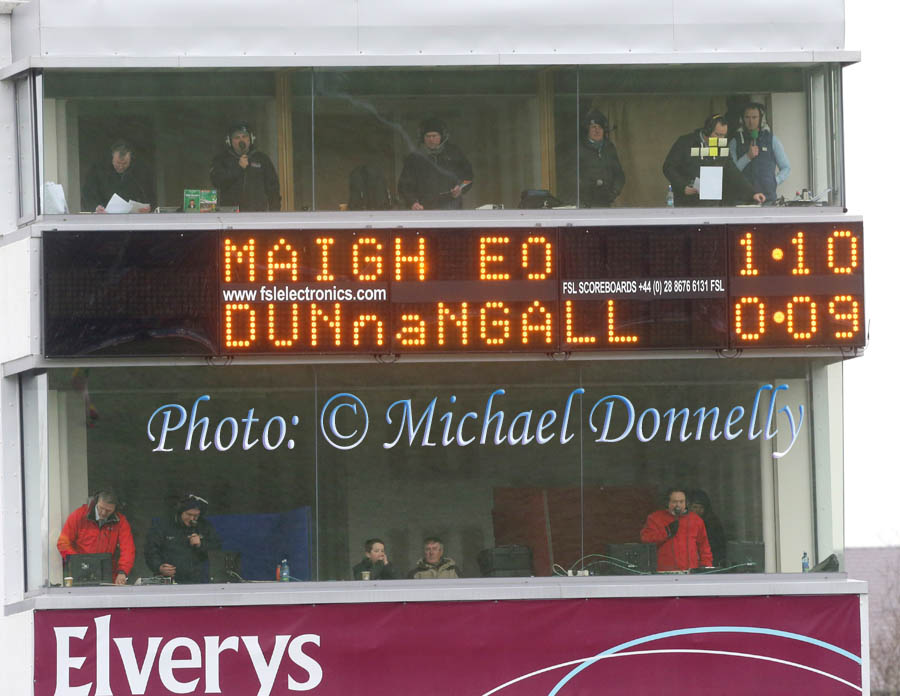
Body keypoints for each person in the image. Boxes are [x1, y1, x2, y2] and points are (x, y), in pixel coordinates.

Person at [662, 114, 766, 207]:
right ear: (707, 130)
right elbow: (668, 167)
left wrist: (752, 193)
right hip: (688, 204)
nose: (721, 139)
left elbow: (733, 172)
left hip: (713, 205)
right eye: (718, 134)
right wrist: (683, 186)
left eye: (723, 135)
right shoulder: (686, 142)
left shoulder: (721, 146)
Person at [57, 488, 134, 584]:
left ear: (115, 508)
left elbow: (128, 549)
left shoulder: (121, 521)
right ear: (96, 501)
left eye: (108, 510)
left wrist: (122, 572)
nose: (103, 513)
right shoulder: (79, 515)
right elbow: (63, 543)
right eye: (101, 508)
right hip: (80, 572)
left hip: (108, 574)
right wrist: (77, 561)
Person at [398, 117, 473, 210]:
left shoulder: (454, 153)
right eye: (428, 136)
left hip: (451, 205)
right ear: (423, 138)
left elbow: (468, 176)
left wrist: (461, 188)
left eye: (434, 136)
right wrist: (412, 202)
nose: (431, 139)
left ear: (442, 137)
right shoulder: (414, 158)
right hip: (423, 207)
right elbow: (404, 186)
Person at [144, 493, 222, 584]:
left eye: (196, 515)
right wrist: (159, 567)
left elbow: (217, 545)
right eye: (189, 514)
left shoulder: (204, 526)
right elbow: (150, 550)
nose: (192, 519)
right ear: (180, 512)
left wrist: (201, 543)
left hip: (198, 580)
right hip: (170, 580)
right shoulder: (163, 526)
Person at [210, 121, 281, 212]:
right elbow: (216, 181)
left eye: (244, 136)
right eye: (237, 137)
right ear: (229, 141)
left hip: (257, 214)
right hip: (230, 214)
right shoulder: (221, 159)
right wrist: (238, 168)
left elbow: (273, 189)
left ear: (250, 139)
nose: (241, 140)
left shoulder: (262, 159)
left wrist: (275, 212)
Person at [729, 102, 791, 204]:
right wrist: (747, 157)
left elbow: (786, 167)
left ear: (761, 119)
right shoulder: (735, 141)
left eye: (754, 117)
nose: (751, 121)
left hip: (767, 198)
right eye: (747, 117)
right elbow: (732, 171)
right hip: (742, 199)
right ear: (742, 119)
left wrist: (774, 181)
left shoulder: (771, 140)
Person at [640, 488, 713, 571]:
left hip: (690, 572)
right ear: (668, 503)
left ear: (686, 503)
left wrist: (706, 568)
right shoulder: (655, 518)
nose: (678, 505)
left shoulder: (696, 520)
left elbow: (704, 547)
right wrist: (666, 532)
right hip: (664, 572)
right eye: (674, 502)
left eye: (681, 502)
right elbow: (645, 539)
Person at [81, 140, 156, 213]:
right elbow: (87, 194)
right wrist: (95, 207)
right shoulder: (98, 170)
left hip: (133, 218)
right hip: (105, 216)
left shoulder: (140, 172)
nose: (121, 167)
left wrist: (149, 207)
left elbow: (150, 195)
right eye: (118, 163)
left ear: (131, 159)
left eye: (125, 163)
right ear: (112, 158)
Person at [578, 110, 625, 207]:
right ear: (588, 129)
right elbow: (572, 177)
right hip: (585, 204)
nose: (597, 131)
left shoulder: (609, 148)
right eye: (593, 127)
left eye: (600, 127)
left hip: (606, 201)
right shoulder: (579, 148)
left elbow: (619, 174)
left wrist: (614, 192)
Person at [689, 489, 727, 567]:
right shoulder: (684, 522)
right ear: (689, 507)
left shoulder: (712, 523)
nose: (698, 510)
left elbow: (717, 549)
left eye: (701, 507)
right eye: (695, 507)